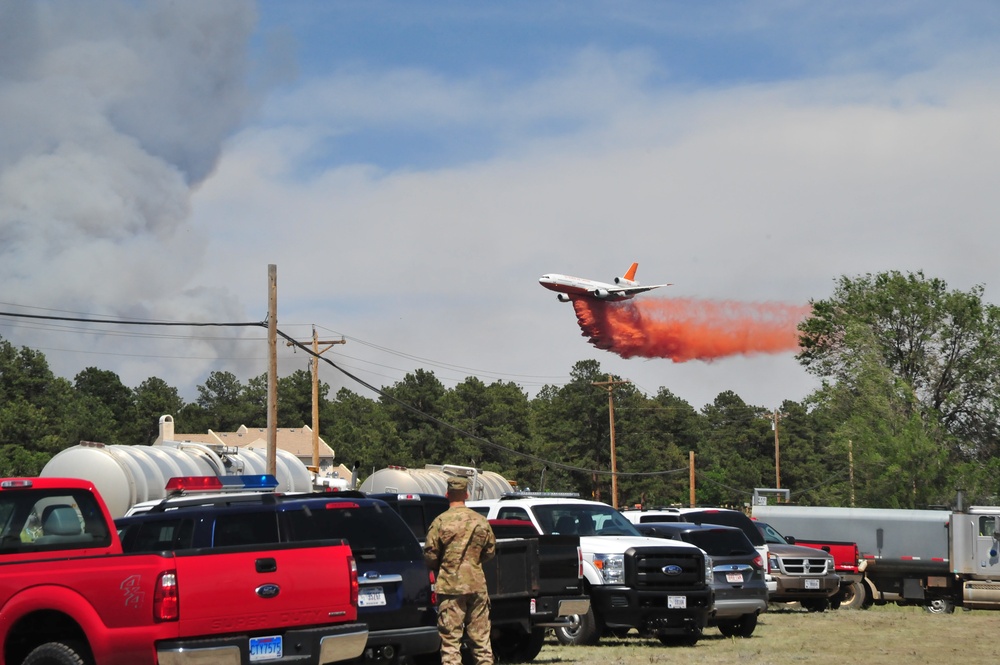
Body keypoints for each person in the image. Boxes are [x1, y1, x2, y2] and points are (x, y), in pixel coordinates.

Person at [423, 476, 497, 665]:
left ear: (447, 494)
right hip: (476, 586)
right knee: (481, 641)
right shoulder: (480, 521)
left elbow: (430, 555)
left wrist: (442, 565)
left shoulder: (440, 522)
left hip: (450, 588)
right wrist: (472, 563)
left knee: (451, 643)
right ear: (467, 494)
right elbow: (490, 551)